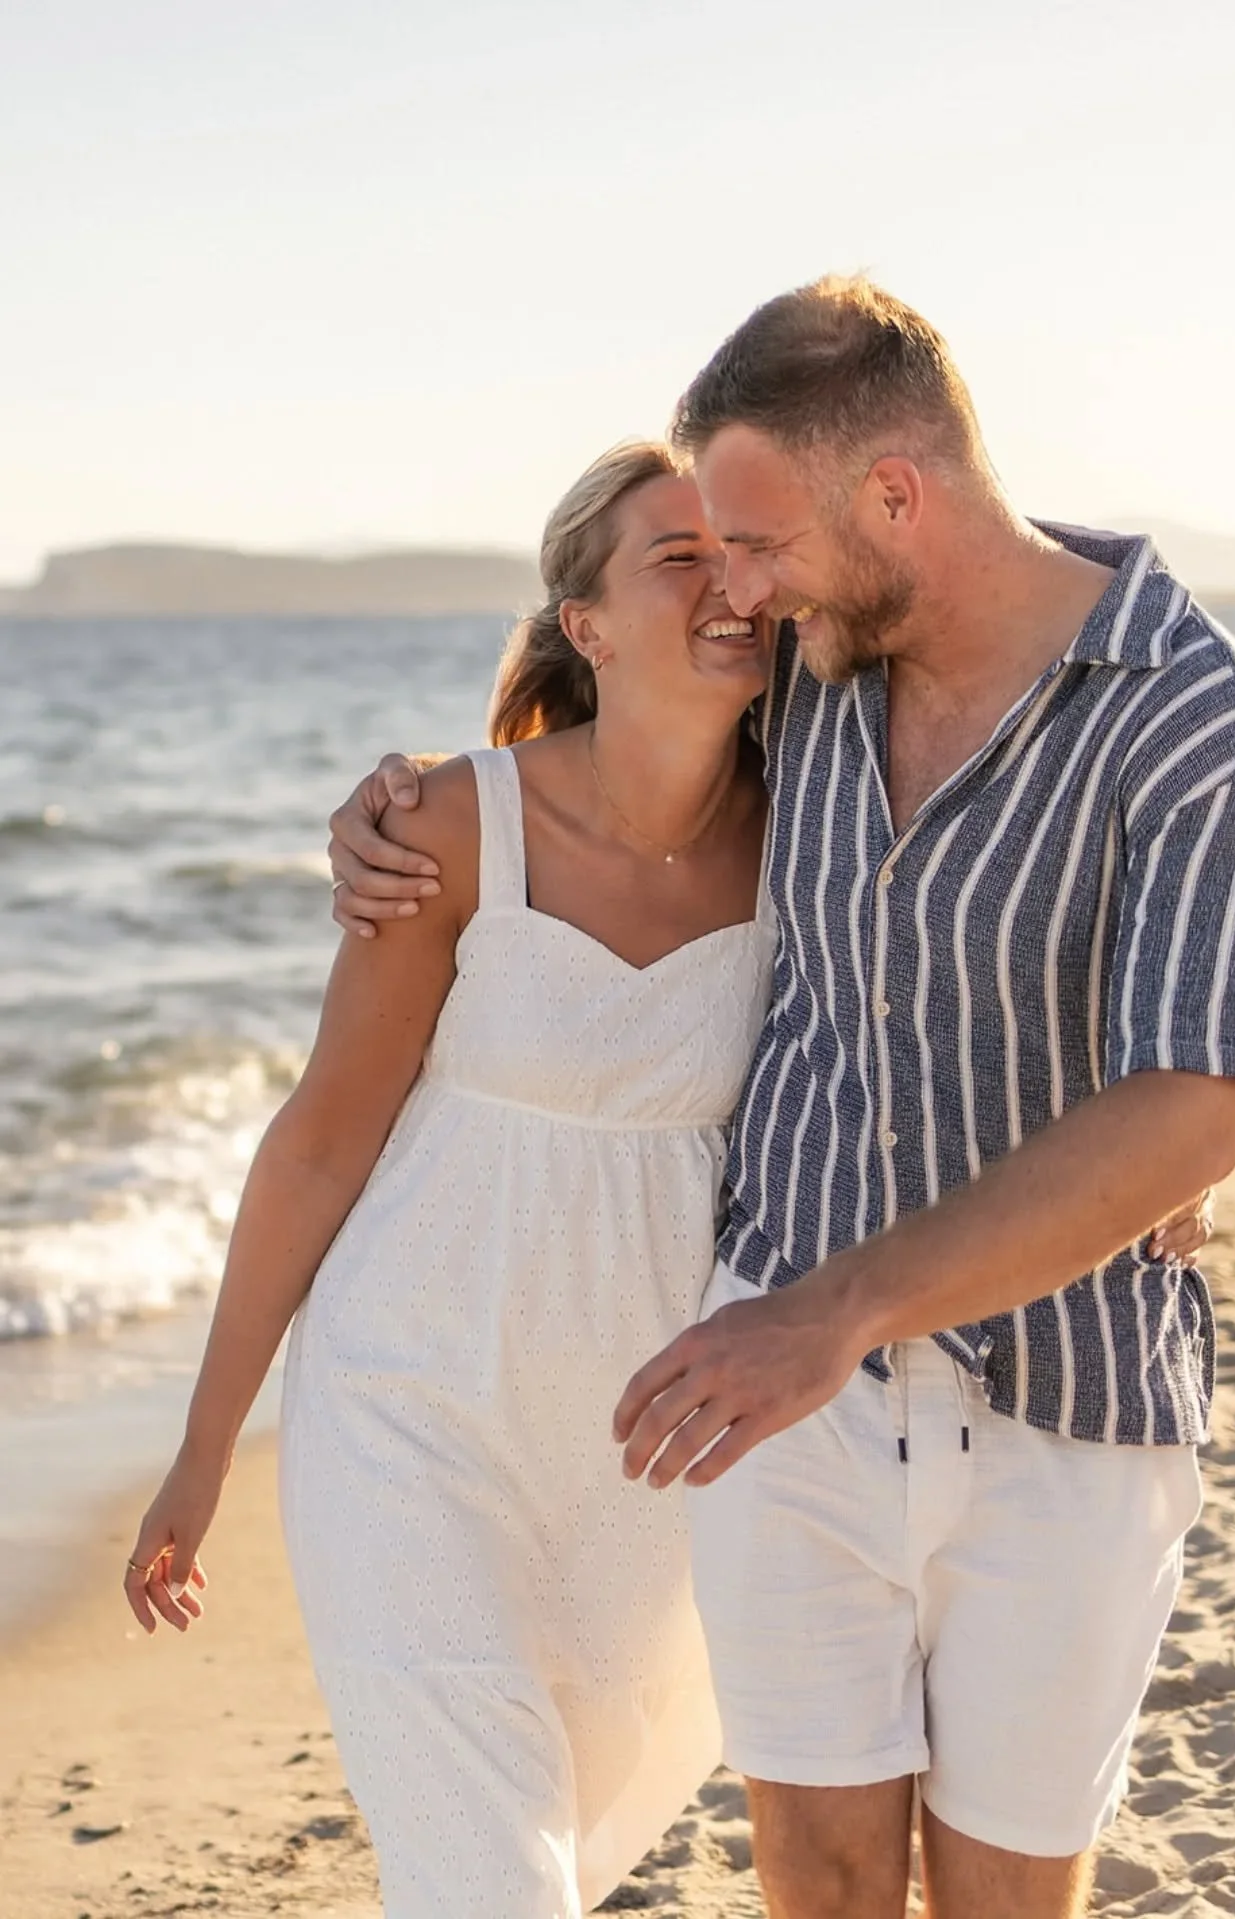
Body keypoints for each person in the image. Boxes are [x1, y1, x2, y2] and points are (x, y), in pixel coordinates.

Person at [332, 279, 1235, 1919]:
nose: (746, 592)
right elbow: (619, 747)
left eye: (765, 548)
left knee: (1006, 1892)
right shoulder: (819, 657)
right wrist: (406, 811)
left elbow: (1195, 1102)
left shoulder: (1191, 710)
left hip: (1070, 1399)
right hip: (791, 1416)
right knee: (826, 1883)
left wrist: (835, 1311)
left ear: (898, 496)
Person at [123, 441, 778, 1919]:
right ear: (587, 625)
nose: (727, 583)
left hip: (644, 1453)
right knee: (487, 1876)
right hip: (409, 1406)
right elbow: (319, 1141)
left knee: (539, 1844)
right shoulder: (445, 826)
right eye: (678, 557)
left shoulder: (815, 829)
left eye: (740, 552)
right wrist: (206, 1442)